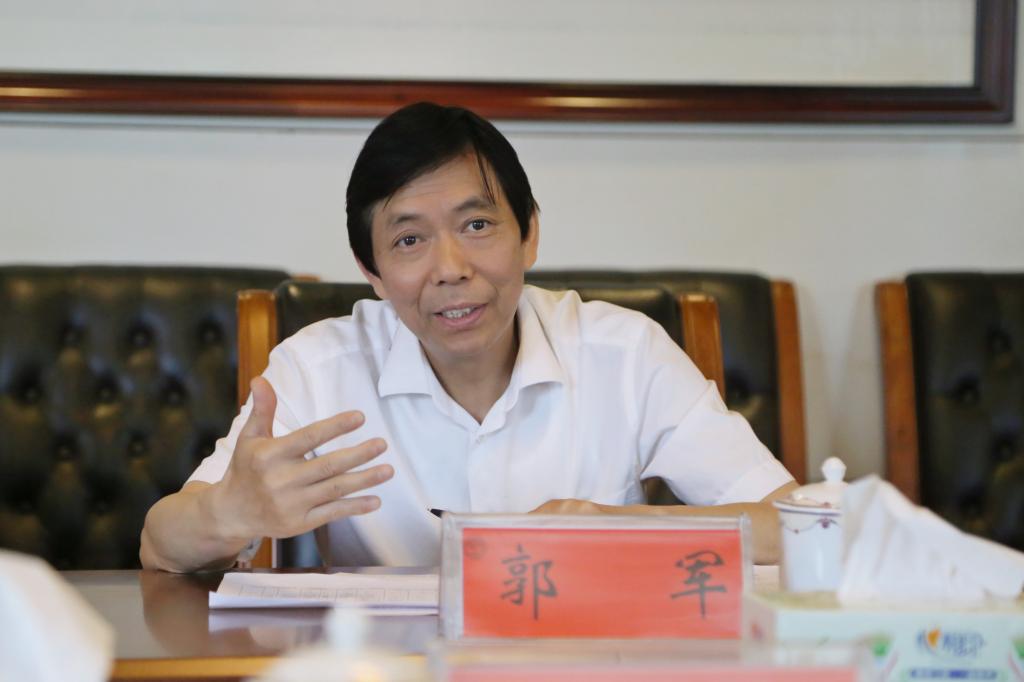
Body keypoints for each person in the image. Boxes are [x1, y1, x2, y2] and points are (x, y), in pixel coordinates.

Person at [140, 102, 797, 572]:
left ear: (529, 234)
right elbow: (159, 545)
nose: (451, 268)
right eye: (409, 240)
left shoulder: (625, 354)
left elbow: (801, 525)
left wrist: (625, 528)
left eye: (477, 226)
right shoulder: (317, 368)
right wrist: (229, 513)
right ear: (371, 271)